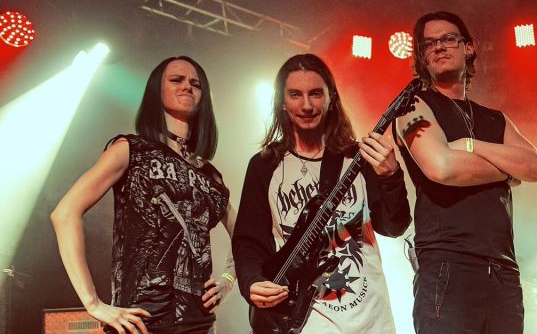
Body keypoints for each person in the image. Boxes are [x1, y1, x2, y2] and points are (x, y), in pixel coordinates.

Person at [51, 56, 235, 334]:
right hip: (140, 321)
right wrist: (93, 303)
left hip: (200, 323)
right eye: (176, 80)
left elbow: (246, 237)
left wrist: (227, 280)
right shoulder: (131, 149)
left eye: (195, 83)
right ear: (156, 91)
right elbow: (65, 213)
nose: (187, 86)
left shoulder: (210, 176)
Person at [232, 54, 410, 333]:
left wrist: (391, 176)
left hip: (369, 318)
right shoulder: (264, 165)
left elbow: (393, 226)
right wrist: (252, 281)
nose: (306, 105)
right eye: (295, 94)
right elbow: (249, 241)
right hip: (306, 319)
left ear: (331, 98)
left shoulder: (358, 158)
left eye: (315, 93)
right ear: (282, 101)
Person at [393, 11, 537, 333]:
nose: (439, 47)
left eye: (448, 39)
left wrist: (470, 145)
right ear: (422, 56)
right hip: (448, 267)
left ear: (469, 48)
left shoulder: (495, 119)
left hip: (503, 272)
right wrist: (507, 171)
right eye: (429, 43)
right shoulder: (413, 107)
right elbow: (443, 168)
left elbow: (535, 167)